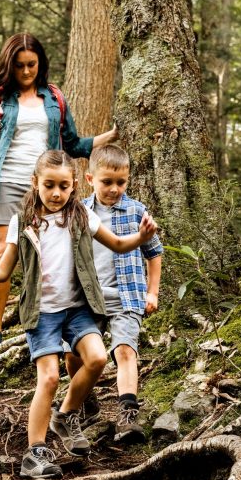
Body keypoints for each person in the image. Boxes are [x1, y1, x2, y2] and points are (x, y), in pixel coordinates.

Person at [0, 150, 158, 479]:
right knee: (48, 378)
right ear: (36, 183)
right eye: (49, 185)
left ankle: (66, 413)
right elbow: (2, 270)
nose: (57, 193)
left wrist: (141, 238)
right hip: (42, 313)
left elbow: (117, 244)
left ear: (75, 186)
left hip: (77, 309)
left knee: (98, 358)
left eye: (64, 186)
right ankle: (35, 453)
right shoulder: (23, 220)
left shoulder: (82, 216)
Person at [0, 33, 118, 356]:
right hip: (4, 183)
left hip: (48, 189)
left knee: (54, 254)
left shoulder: (54, 98)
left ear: (40, 64)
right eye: (19, 65)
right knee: (2, 254)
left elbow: (72, 144)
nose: (26, 71)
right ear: (9, 65)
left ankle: (55, 322)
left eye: (32, 64)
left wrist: (110, 135)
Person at [65, 145, 162, 443]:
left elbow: (154, 252)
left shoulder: (136, 211)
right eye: (107, 182)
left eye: (121, 182)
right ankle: (85, 400)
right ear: (91, 178)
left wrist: (152, 292)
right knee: (72, 355)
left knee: (124, 350)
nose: (115, 189)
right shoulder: (78, 211)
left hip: (127, 297)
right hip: (87, 300)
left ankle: (127, 413)